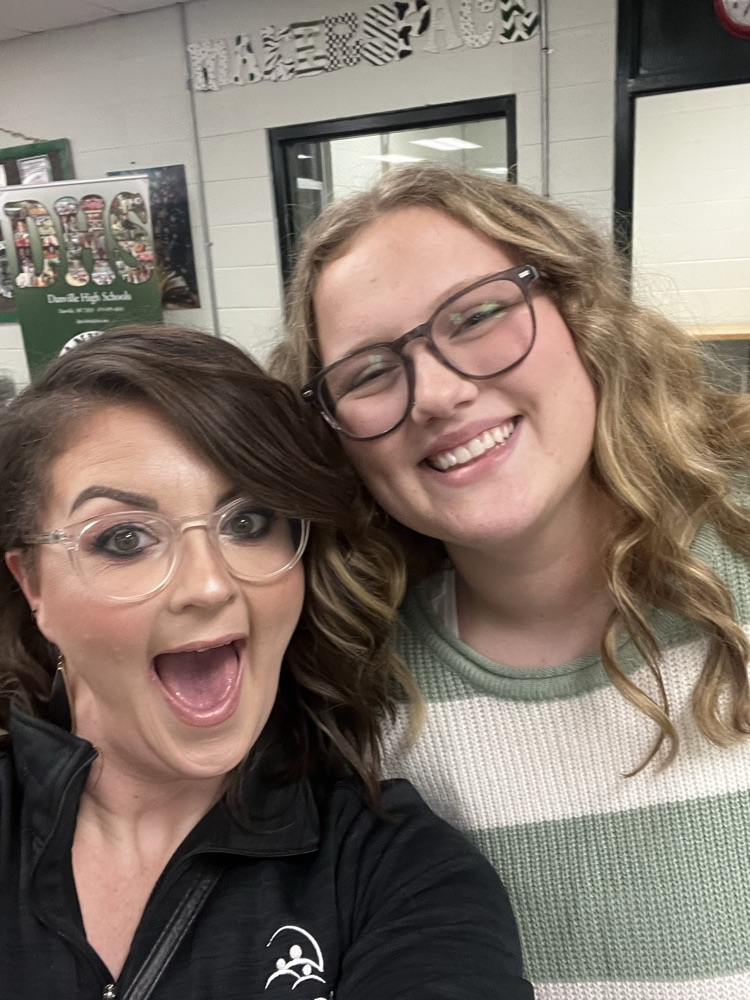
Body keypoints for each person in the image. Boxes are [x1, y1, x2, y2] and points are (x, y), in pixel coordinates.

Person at [272, 164, 750, 998]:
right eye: (370, 373)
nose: (440, 394)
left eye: (479, 315)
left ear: (580, 316)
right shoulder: (354, 689)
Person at [0, 325, 533, 1000]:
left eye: (248, 522)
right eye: (125, 538)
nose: (209, 585)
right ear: (34, 584)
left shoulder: (394, 870)